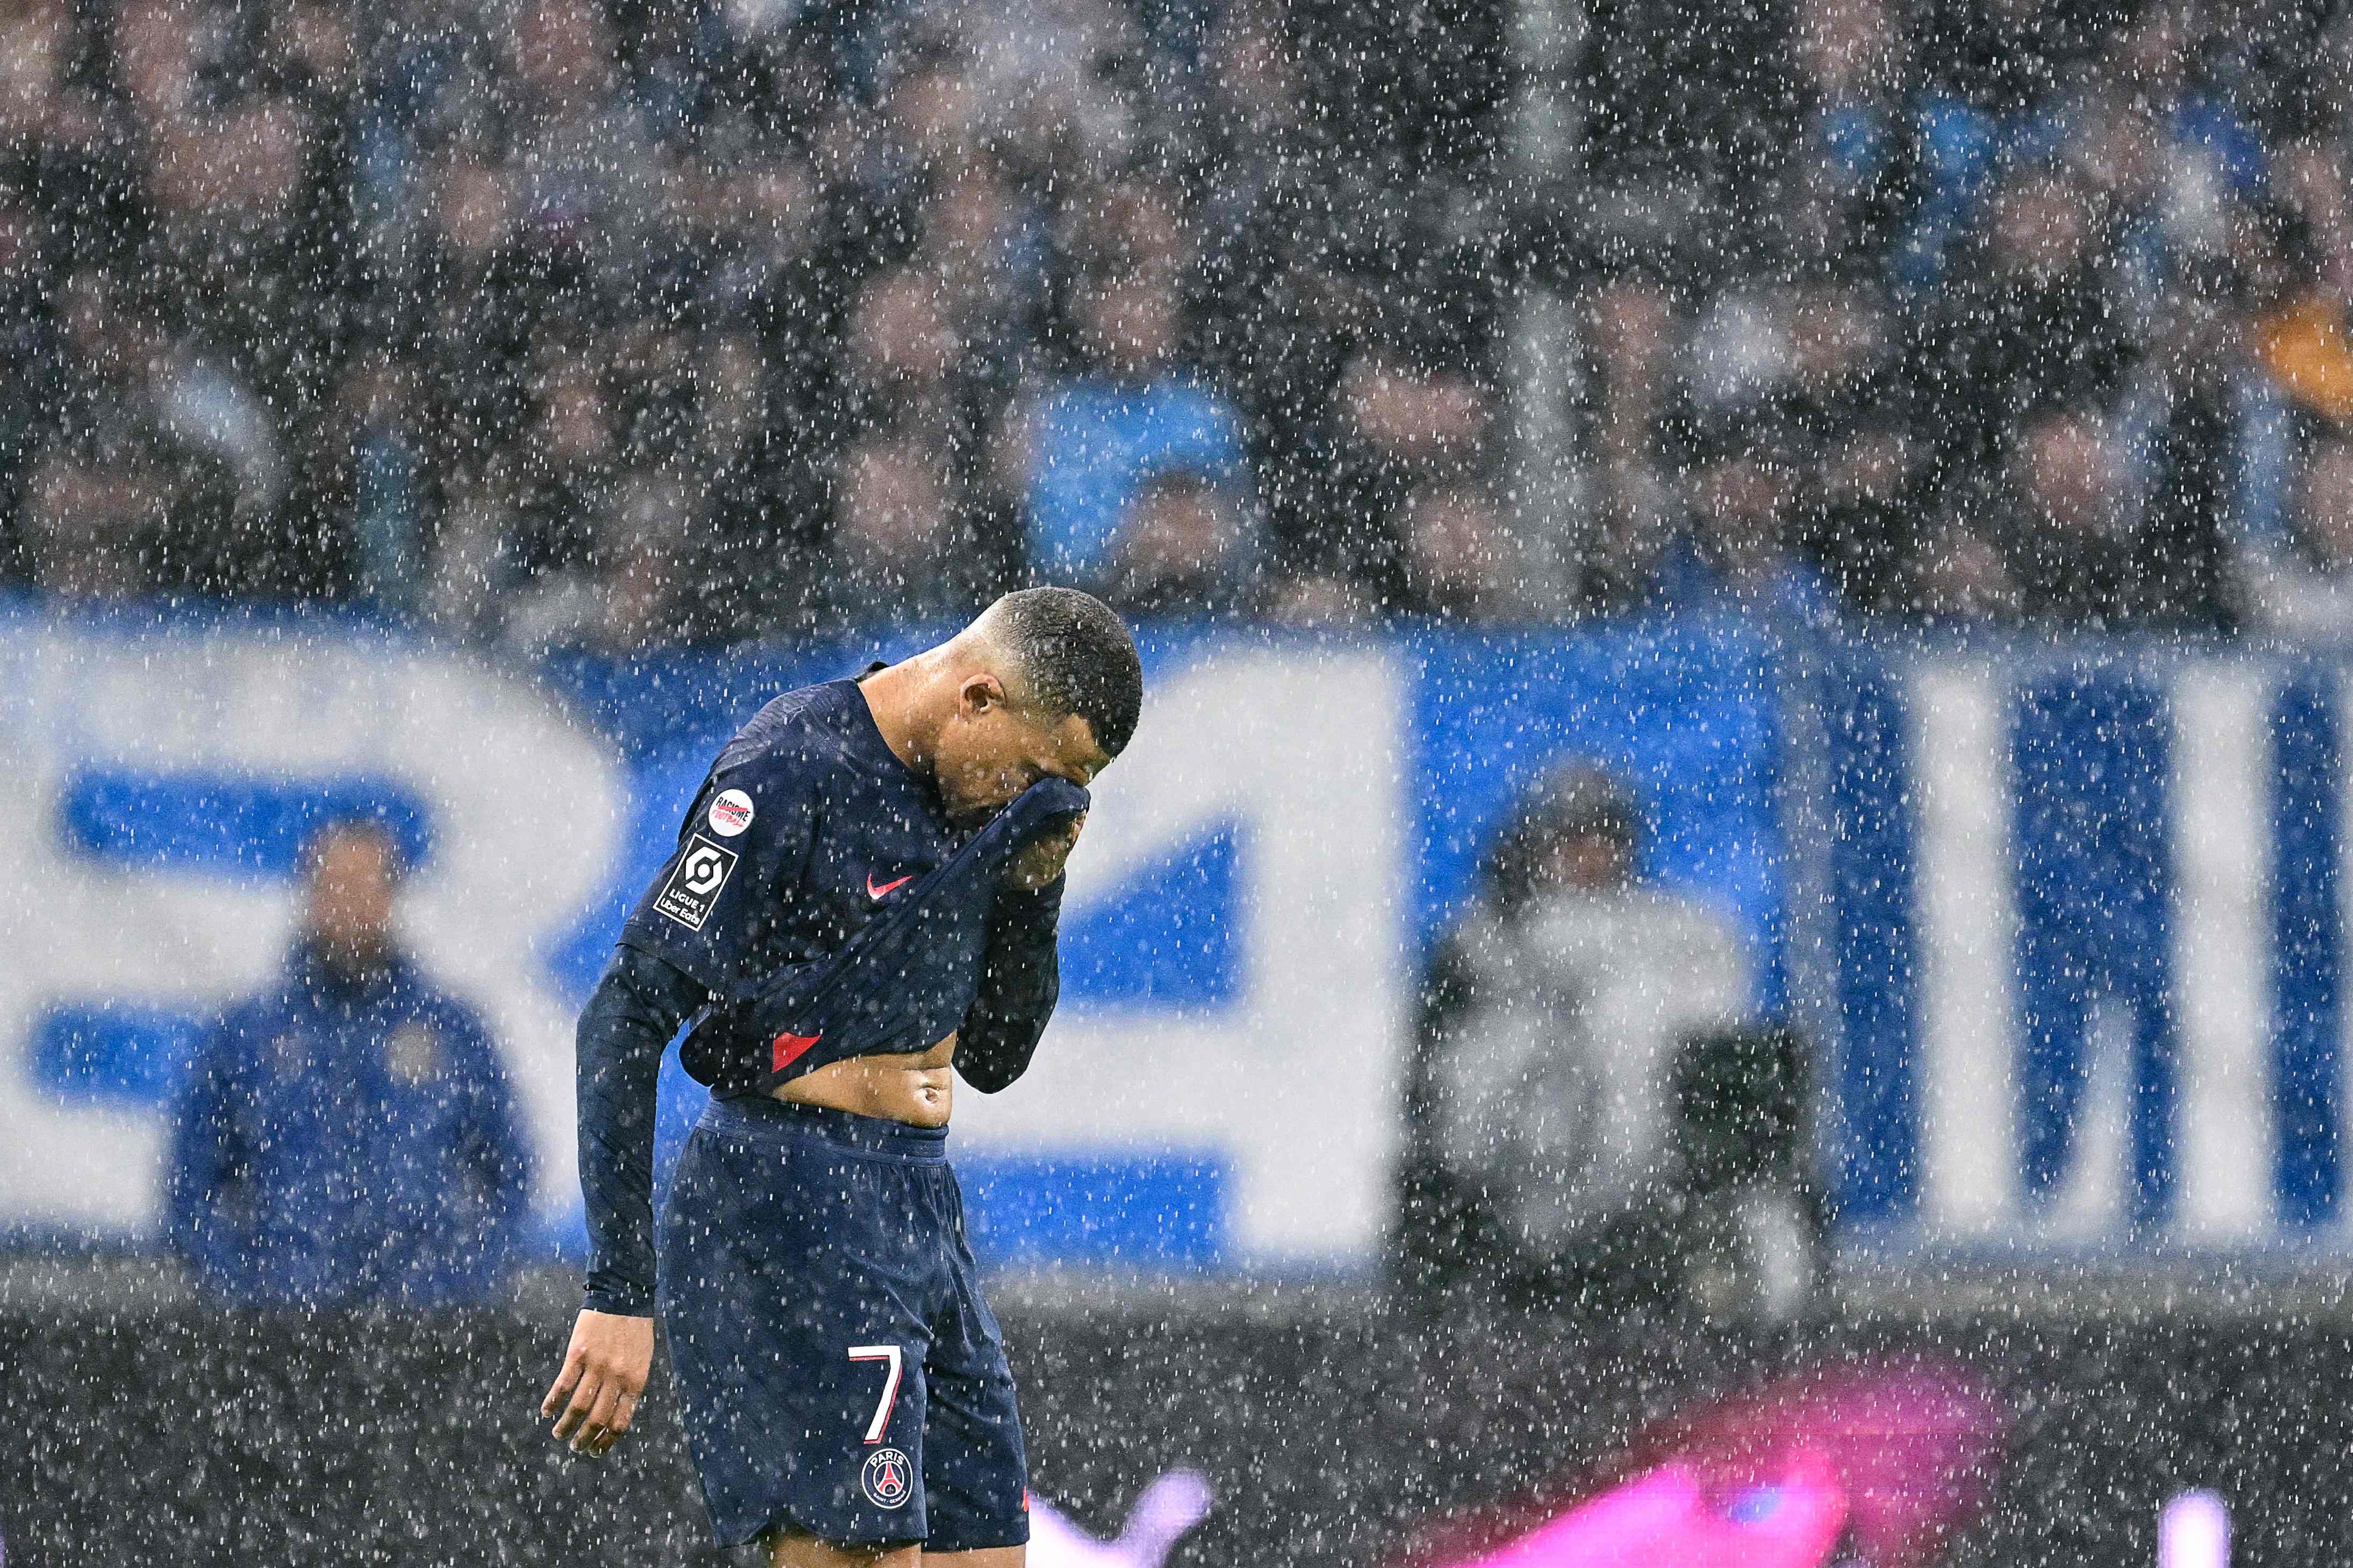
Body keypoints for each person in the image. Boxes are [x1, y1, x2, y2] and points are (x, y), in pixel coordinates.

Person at [542, 587, 1144, 1567]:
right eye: (1038, 773)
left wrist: (1035, 890)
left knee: (987, 1555)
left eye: (1069, 787)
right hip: (793, 1200)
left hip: (919, 1198)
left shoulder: (986, 795)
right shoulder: (790, 768)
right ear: (979, 698)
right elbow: (623, 1015)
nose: (1037, 799)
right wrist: (618, 1286)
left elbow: (994, 1058)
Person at [1393, 764, 1751, 1315]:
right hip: (1505, 1195)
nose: (1589, 852)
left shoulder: (1669, 932)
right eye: (1573, 835)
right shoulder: (1483, 939)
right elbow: (1438, 1086)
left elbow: (1713, 1019)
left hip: (1640, 1200)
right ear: (1541, 844)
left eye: (1602, 835)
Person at [165, 816, 532, 1306]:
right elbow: (190, 1182)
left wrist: (458, 1282)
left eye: (364, 885)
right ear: (309, 896)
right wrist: (247, 1289)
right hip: (285, 1325)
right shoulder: (249, 1035)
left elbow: (512, 1172)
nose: (348, 904)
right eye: (334, 885)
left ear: (391, 896)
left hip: (423, 1328)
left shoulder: (449, 1032)